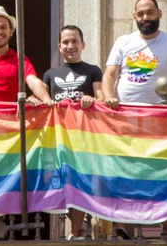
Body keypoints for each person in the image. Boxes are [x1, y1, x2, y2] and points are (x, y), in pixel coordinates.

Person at [43, 24, 102, 239]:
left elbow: (101, 98)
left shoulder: (93, 70)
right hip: (57, 137)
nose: (70, 45)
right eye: (66, 42)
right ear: (59, 46)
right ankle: (79, 225)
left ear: (83, 44)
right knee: (53, 182)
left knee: (77, 182)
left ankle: (76, 233)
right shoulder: (50, 74)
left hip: (82, 137)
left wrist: (91, 100)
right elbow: (43, 100)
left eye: (74, 41)